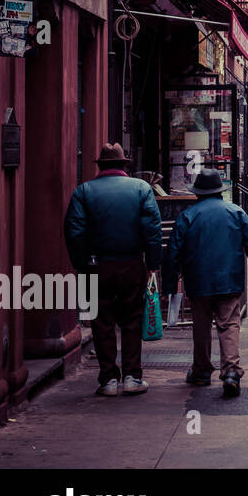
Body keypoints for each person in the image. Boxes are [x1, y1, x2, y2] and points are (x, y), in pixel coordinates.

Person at [63, 143, 163, 397]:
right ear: (124, 165)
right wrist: (153, 264)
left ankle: (108, 379)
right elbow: (152, 230)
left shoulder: (84, 191)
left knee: (102, 321)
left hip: (97, 265)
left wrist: (81, 264)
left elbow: (74, 232)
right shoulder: (141, 189)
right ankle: (131, 376)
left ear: (101, 166)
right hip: (131, 263)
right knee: (132, 320)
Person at [165, 169, 248, 398]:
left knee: (201, 326)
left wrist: (170, 283)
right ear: (220, 192)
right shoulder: (236, 212)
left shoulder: (188, 216)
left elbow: (173, 251)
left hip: (198, 281)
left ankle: (201, 371)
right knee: (229, 324)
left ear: (198, 193)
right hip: (229, 280)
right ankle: (231, 372)